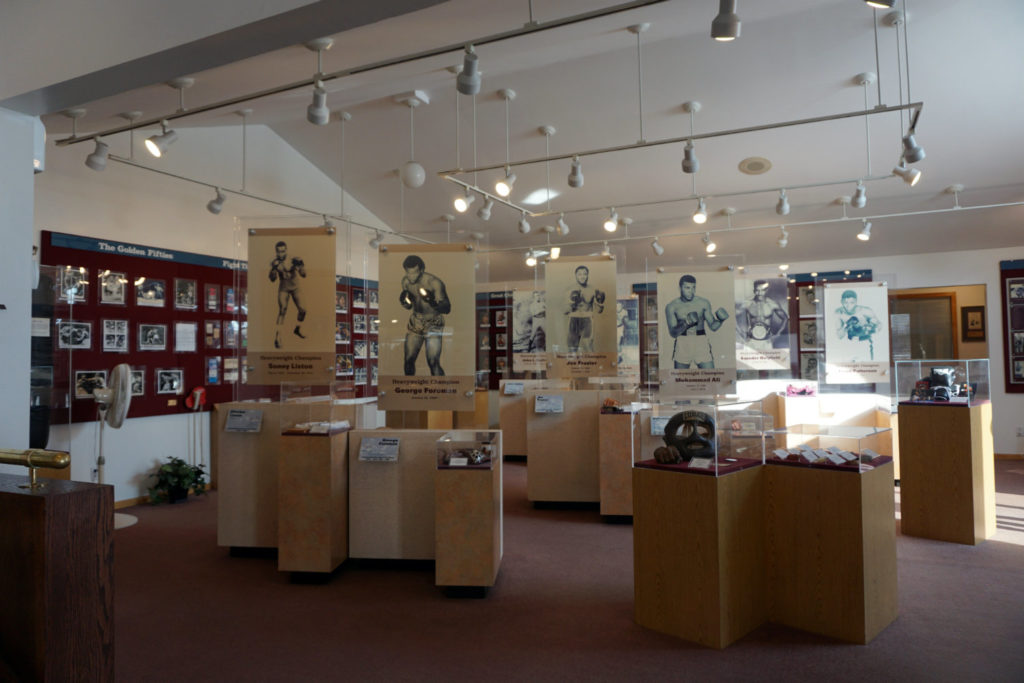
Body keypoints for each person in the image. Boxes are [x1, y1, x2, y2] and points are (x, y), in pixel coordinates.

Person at [665, 274, 730, 369]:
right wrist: (686, 323)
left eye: (693, 288)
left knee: (710, 377)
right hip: (683, 342)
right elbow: (673, 333)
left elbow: (713, 327)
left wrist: (720, 320)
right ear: (680, 288)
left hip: (701, 341)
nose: (691, 291)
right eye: (687, 288)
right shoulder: (672, 306)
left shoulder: (703, 303)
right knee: (680, 379)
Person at [399, 254, 450, 376]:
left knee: (433, 362)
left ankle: (440, 391)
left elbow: (447, 308)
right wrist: (404, 302)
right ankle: (409, 390)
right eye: (408, 272)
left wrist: (432, 301)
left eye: (415, 272)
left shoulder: (434, 283)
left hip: (433, 322)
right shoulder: (405, 282)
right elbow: (409, 306)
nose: (411, 276)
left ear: (422, 270)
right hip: (416, 321)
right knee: (408, 360)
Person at [268, 240, 306, 348]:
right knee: (282, 310)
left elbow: (304, 275)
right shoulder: (275, 262)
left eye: (283, 251)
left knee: (303, 310)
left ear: (286, 250)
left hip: (295, 287)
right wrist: (274, 269)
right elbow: (272, 279)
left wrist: (301, 265)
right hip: (283, 287)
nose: (281, 254)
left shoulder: (293, 260)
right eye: (279, 252)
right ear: (276, 252)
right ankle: (278, 337)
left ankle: (297, 329)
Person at [737, 279, 788, 350]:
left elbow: (785, 318)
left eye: (762, 290)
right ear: (754, 291)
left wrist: (777, 334)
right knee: (749, 360)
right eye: (757, 290)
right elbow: (733, 318)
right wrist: (741, 333)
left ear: (766, 290)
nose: (760, 293)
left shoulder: (772, 304)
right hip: (751, 340)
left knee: (768, 360)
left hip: (767, 340)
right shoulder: (748, 303)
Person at [565, 265, 605, 353]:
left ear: (587, 275)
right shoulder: (569, 289)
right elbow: (565, 311)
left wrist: (600, 302)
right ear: (575, 275)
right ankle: (571, 366)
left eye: (585, 274)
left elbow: (599, 310)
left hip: (587, 319)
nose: (582, 276)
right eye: (579, 274)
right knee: (572, 347)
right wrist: (573, 303)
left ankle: (591, 366)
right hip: (573, 318)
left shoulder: (593, 289)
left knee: (588, 346)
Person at [833, 289, 880, 361]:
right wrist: (847, 325)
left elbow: (879, 325)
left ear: (856, 302)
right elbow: (839, 335)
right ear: (841, 302)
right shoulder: (839, 313)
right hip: (849, 345)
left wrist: (869, 327)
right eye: (845, 302)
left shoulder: (865, 311)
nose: (848, 305)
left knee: (867, 367)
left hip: (865, 343)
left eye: (852, 302)